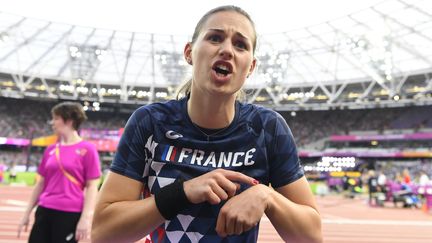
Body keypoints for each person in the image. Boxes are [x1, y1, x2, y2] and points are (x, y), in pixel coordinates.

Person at [92, 5, 322, 243]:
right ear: (189, 52)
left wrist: (267, 197)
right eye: (215, 38)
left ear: (250, 67)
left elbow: (312, 237)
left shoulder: (268, 128)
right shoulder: (150, 123)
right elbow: (103, 233)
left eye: (240, 45)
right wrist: (183, 192)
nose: (227, 50)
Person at [17, 102, 101, 243]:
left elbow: (92, 186)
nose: (52, 123)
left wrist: (86, 218)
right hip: (44, 210)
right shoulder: (50, 149)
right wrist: (27, 213)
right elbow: (40, 184)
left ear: (69, 121)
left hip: (69, 213)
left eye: (56, 118)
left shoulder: (88, 149)